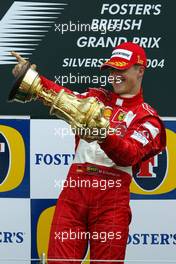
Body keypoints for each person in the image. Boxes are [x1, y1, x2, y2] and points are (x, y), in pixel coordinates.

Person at [11, 42, 166, 264]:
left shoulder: (148, 119)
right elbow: (60, 95)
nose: (115, 76)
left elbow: (130, 155)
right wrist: (30, 78)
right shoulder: (95, 98)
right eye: (112, 70)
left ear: (140, 70)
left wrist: (103, 135)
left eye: (121, 70)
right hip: (74, 192)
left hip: (111, 199)